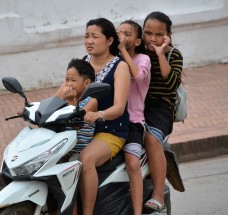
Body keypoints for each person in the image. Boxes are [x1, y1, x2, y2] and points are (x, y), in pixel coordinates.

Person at [76, 18, 131, 215]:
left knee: (85, 159)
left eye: (94, 36)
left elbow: (119, 107)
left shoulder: (120, 67)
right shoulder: (83, 63)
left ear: (109, 41)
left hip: (111, 130)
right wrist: (36, 107)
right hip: (82, 128)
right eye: (86, 36)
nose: (89, 40)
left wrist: (99, 114)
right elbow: (64, 89)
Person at [142, 11, 183, 213]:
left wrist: (160, 55)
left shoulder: (173, 55)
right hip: (137, 105)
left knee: (150, 138)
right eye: (148, 33)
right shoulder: (137, 52)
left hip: (161, 107)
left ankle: (158, 194)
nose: (152, 38)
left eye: (159, 34)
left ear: (168, 36)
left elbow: (170, 86)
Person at [116, 20, 151, 215]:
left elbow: (138, 76)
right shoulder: (111, 58)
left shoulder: (142, 59)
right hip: (111, 121)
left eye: (127, 34)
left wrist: (122, 52)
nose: (121, 36)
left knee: (131, 162)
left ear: (137, 41)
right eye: (119, 33)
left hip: (133, 122)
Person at [58, 58, 97, 160]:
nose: (69, 84)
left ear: (87, 83)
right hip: (62, 148)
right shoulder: (63, 99)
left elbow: (75, 124)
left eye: (73, 80)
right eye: (67, 79)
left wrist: (71, 102)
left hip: (78, 151)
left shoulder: (91, 101)